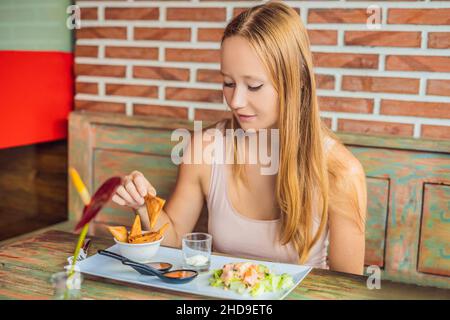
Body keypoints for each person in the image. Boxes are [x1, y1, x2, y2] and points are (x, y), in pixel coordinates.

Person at [112, 1, 367, 275]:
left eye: (254, 86)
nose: (236, 101)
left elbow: (347, 288)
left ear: (298, 82)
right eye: (228, 83)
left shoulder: (341, 172)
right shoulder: (205, 148)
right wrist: (144, 204)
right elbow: (173, 244)